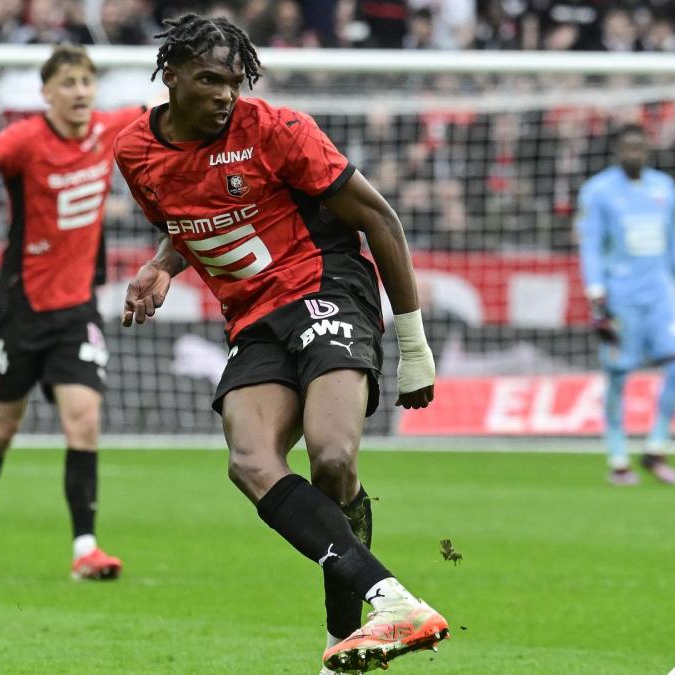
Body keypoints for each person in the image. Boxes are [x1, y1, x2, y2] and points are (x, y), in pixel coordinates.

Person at [113, 14, 449, 673]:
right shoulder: (135, 153)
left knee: (332, 458)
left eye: (233, 82)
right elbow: (192, 219)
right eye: (209, 79)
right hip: (251, 317)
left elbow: (379, 215)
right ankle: (387, 609)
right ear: (170, 76)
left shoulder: (275, 128)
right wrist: (162, 264)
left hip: (325, 283)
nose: (223, 95)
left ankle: (350, 633)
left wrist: (414, 345)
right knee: (249, 459)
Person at [0, 45, 144, 581]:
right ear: (46, 93)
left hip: (77, 311)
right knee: (1, 428)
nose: (80, 92)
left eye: (87, 81)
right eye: (67, 83)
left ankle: (86, 549)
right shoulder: (27, 139)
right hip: (19, 311)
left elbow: (162, 112)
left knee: (84, 421)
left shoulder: (111, 129)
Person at [577, 123, 675, 486]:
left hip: (660, 294)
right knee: (618, 375)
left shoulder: (664, 187)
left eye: (640, 147)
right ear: (616, 151)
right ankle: (618, 458)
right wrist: (595, 290)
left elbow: (673, 238)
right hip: (620, 296)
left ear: (648, 150)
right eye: (627, 148)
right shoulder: (599, 191)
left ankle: (655, 449)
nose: (634, 154)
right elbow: (591, 244)